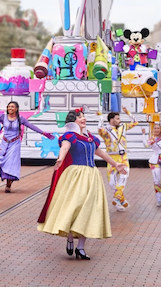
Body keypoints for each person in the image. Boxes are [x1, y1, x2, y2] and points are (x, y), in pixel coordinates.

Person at [37, 110, 128, 260]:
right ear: (73, 121)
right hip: (75, 175)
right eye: (80, 117)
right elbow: (65, 148)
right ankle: (71, 237)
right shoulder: (70, 136)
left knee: (89, 210)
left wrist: (115, 163)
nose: (83, 118)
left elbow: (100, 153)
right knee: (75, 206)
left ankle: (81, 248)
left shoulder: (90, 138)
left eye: (83, 116)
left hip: (92, 176)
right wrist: (60, 158)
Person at [0, 101, 53, 193]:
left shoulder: (21, 119)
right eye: (9, 107)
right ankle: (5, 177)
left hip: (15, 144)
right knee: (3, 161)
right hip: (4, 143)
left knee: (11, 163)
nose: (10, 108)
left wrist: (43, 133)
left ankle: (8, 185)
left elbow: (31, 126)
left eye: (12, 107)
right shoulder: (3, 117)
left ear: (16, 109)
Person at [98, 108, 137, 210]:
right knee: (112, 182)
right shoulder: (106, 130)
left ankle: (117, 197)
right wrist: (101, 117)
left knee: (124, 174)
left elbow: (135, 122)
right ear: (111, 120)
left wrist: (127, 112)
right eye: (118, 118)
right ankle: (121, 199)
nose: (120, 120)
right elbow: (99, 129)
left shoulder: (123, 127)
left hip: (123, 156)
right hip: (112, 157)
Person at [142, 122, 161, 207]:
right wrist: (143, 134)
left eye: (158, 128)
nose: (156, 130)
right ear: (152, 130)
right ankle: (159, 199)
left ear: (160, 129)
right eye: (155, 128)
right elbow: (145, 145)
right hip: (155, 161)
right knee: (157, 180)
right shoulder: (152, 139)